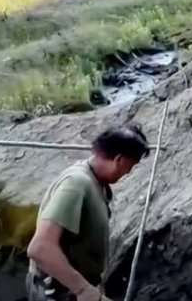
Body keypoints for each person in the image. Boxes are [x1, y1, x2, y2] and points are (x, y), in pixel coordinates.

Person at [26, 125, 150, 301]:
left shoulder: (97, 184)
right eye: (130, 166)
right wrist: (83, 289)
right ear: (119, 160)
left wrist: (94, 288)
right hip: (57, 292)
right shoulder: (76, 184)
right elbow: (40, 248)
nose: (128, 173)